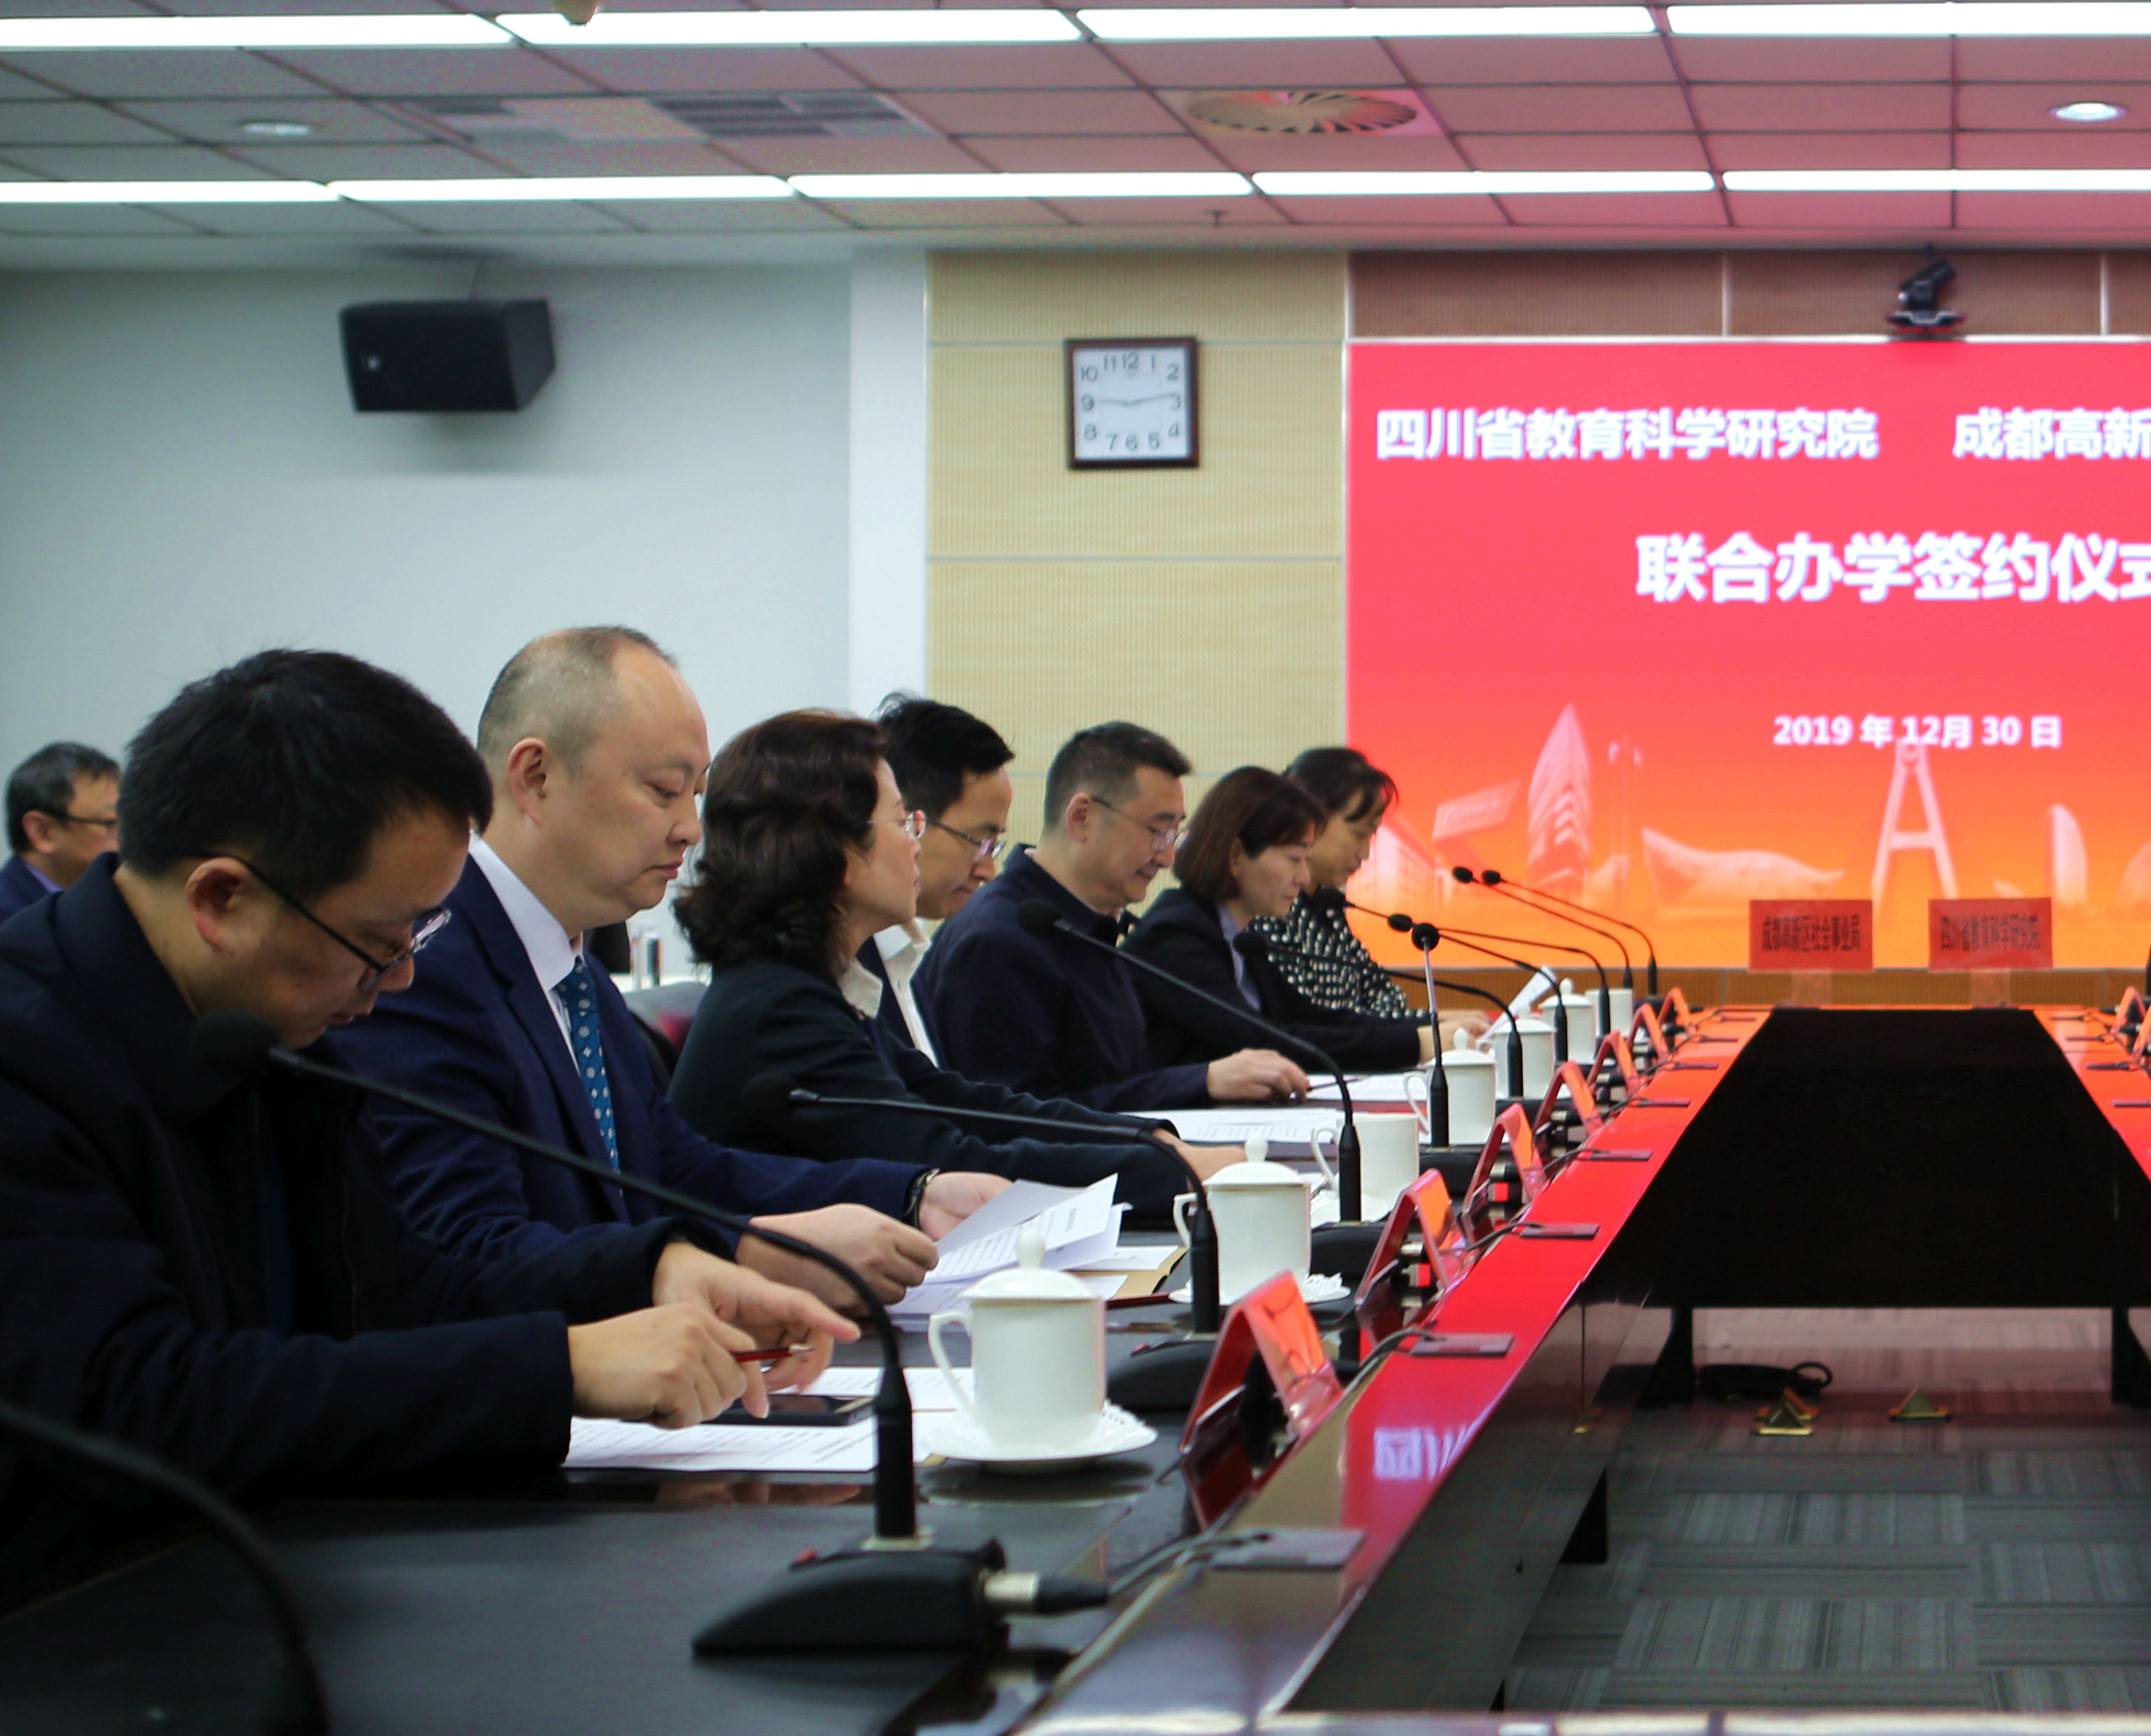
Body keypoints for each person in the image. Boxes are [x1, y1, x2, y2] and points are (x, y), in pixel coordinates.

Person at [0, 651, 845, 1588]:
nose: (400, 977)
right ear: (221, 899)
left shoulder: (270, 1023)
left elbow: (402, 1292)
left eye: (419, 935)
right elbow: (135, 1404)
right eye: (378, 941)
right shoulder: (25, 1056)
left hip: (278, 1564)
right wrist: (557, 1367)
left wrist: (650, 1269)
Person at [344, 630, 977, 1311]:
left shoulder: (574, 974)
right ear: (535, 777)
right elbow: (466, 1251)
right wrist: (747, 1250)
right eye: (664, 790)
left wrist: (913, 1193)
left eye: (695, 795)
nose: (690, 829)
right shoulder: (424, 968)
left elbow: (672, 1167)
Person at [664, 712, 1232, 1215]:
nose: (916, 842)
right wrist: (1168, 1170)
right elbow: (943, 1157)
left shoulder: (811, 986)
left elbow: (966, 1103)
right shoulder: (780, 1009)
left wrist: (1147, 1139)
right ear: (832, 851)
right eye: (902, 823)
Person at [913, 721, 1314, 1110]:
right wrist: (1200, 1081)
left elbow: (1114, 1086)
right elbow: (1021, 1119)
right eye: (1157, 832)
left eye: (1174, 835)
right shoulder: (1001, 939)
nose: (1167, 857)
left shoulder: (1091, 925)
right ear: (1082, 817)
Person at [1133, 766, 1439, 1075]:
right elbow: (1260, 1041)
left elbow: (1312, 1017)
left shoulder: (1238, 936)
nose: (1303, 877)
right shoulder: (1175, 937)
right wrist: (1415, 1043)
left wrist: (1430, 1030)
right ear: (1236, 856)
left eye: (1307, 859)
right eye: (1294, 859)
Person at [1250, 747, 1447, 1027]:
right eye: (1359, 834)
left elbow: (1383, 996)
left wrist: (1434, 1023)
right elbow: (1310, 1019)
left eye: (1372, 836)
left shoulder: (1327, 905)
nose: (1365, 853)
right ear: (1309, 818)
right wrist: (1424, 1029)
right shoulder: (1268, 907)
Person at [868, 692, 1014, 1062]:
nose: (989, 871)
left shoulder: (907, 957)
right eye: (979, 841)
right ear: (908, 822)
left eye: (994, 846)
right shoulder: (838, 975)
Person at [2, 740, 117, 920]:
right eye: (111, 822)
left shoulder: (108, 897)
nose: (129, 837)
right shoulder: (11, 926)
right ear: (42, 832)